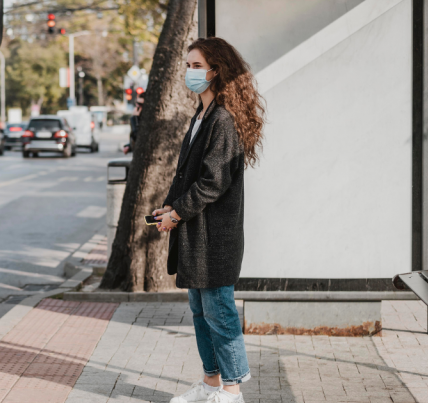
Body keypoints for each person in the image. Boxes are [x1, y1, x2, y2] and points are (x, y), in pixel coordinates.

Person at [152, 37, 265, 403]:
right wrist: (167, 207)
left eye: (196, 66)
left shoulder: (223, 120)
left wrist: (177, 213)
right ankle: (210, 384)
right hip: (195, 236)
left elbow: (213, 181)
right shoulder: (200, 116)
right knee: (201, 313)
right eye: (188, 65)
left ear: (217, 70)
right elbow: (186, 175)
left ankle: (232, 391)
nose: (189, 72)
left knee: (220, 313)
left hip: (215, 238)